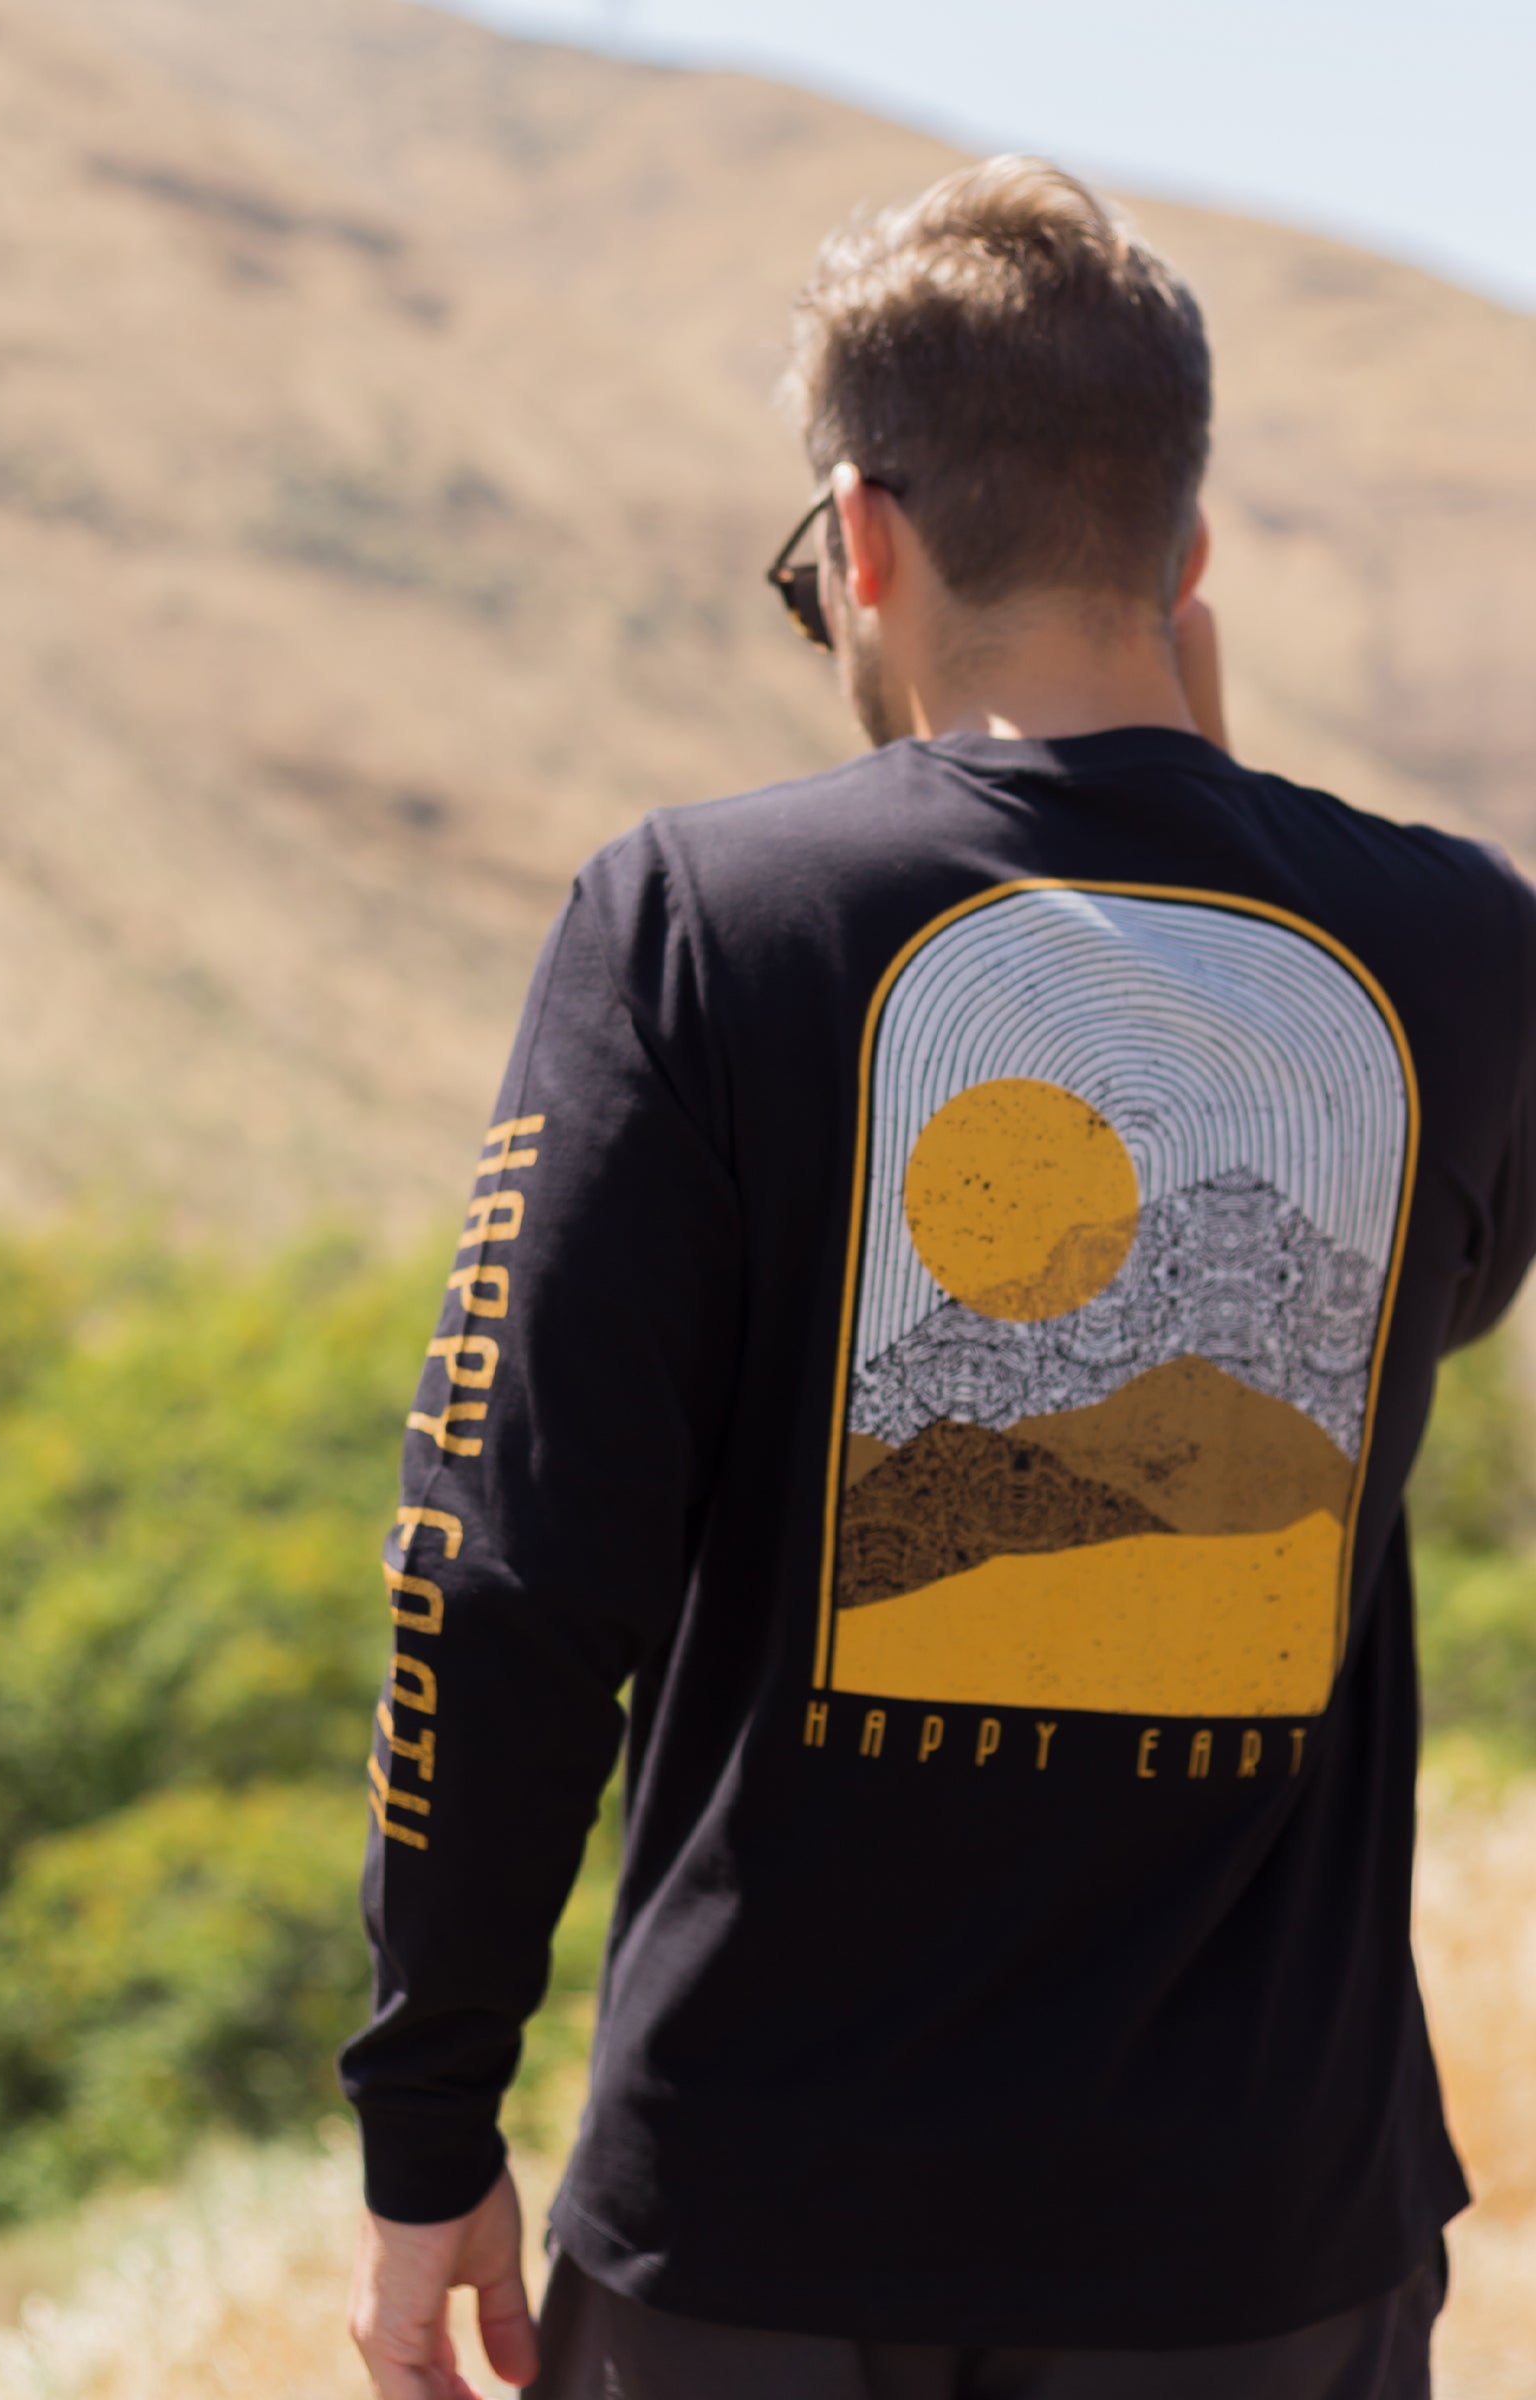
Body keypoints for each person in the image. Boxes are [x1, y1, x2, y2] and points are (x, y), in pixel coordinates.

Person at [341, 157, 1536, 2399]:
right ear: (1188, 549)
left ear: (863, 539)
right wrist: (1218, 837)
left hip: (765, 2233)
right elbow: (1421, 1313)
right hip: (1268, 2249)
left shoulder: (696, 922)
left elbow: (506, 1570)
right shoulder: (1465, 950)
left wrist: (429, 2119)